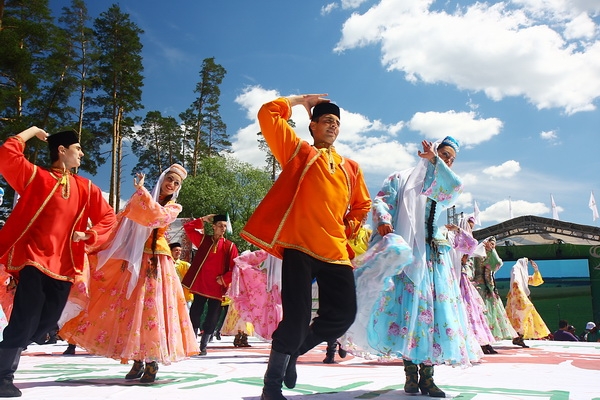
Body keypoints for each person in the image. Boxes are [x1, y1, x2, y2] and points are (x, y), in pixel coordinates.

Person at [240, 94, 371, 400]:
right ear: (312, 126)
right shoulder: (299, 152)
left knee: (343, 314)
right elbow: (267, 114)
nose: (333, 127)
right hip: (299, 245)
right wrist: (299, 101)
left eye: (337, 123)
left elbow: (362, 206)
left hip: (336, 250)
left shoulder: (350, 167)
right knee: (296, 318)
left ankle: (294, 353)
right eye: (327, 121)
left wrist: (347, 227)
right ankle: (270, 387)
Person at [347, 137, 481, 398]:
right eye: (444, 154)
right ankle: (410, 375)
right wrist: (384, 220)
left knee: (433, 316)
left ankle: (428, 378)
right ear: (430, 151)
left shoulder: (440, 184)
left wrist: (436, 162)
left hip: (434, 258)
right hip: (410, 256)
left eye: (451, 158)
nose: (447, 160)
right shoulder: (401, 178)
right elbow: (381, 200)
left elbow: (455, 186)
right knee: (409, 315)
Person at [0, 127, 116, 397]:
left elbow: (108, 218)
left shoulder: (86, 187)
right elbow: (7, 154)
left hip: (65, 265)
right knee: (24, 317)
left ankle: (7, 353)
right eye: (78, 149)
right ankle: (4, 376)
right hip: (33, 258)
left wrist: (90, 234)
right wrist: (31, 132)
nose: (82, 153)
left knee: (48, 323)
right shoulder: (35, 177)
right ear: (61, 151)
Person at [59, 165, 198, 383]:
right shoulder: (139, 198)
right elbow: (122, 223)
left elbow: (156, 217)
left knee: (153, 309)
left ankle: (151, 361)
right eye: (169, 179)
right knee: (133, 308)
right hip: (135, 259)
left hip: (158, 261)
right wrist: (100, 241)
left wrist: (142, 194)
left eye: (176, 183)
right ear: (162, 179)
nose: (171, 184)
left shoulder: (173, 207)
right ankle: (137, 360)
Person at [182, 214, 239, 356]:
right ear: (213, 226)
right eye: (220, 225)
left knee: (213, 314)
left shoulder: (230, 246)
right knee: (195, 311)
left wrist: (225, 279)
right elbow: (188, 228)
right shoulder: (203, 240)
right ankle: (192, 342)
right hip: (201, 282)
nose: (223, 228)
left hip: (217, 285)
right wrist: (202, 220)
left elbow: (235, 267)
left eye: (225, 226)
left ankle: (203, 345)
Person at [472, 237, 521, 346]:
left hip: (489, 288)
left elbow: (497, 264)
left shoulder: (489, 254)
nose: (492, 246)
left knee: (495, 313)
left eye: (494, 244)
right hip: (479, 288)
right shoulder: (478, 254)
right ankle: (483, 341)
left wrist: (492, 251)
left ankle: (488, 340)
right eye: (491, 243)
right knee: (483, 313)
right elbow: (496, 264)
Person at [505, 258, 551, 341]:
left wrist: (536, 270)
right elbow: (515, 281)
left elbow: (535, 281)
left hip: (523, 300)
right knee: (520, 319)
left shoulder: (523, 276)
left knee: (525, 319)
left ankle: (519, 338)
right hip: (518, 300)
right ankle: (518, 337)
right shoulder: (516, 271)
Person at [169, 242, 194, 308]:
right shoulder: (167, 265)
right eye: (176, 250)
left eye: (180, 250)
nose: (178, 252)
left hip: (185, 296)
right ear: (170, 251)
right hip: (170, 295)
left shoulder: (186, 265)